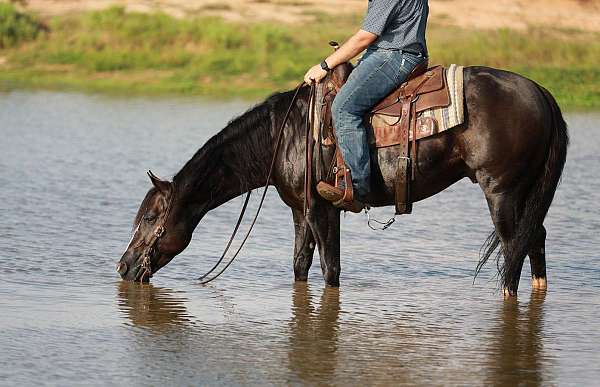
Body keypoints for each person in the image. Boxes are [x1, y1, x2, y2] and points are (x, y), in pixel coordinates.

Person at [304, 0, 429, 210]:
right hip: (401, 52)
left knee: (343, 108)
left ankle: (357, 187)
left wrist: (325, 65)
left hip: (393, 55)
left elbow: (365, 37)